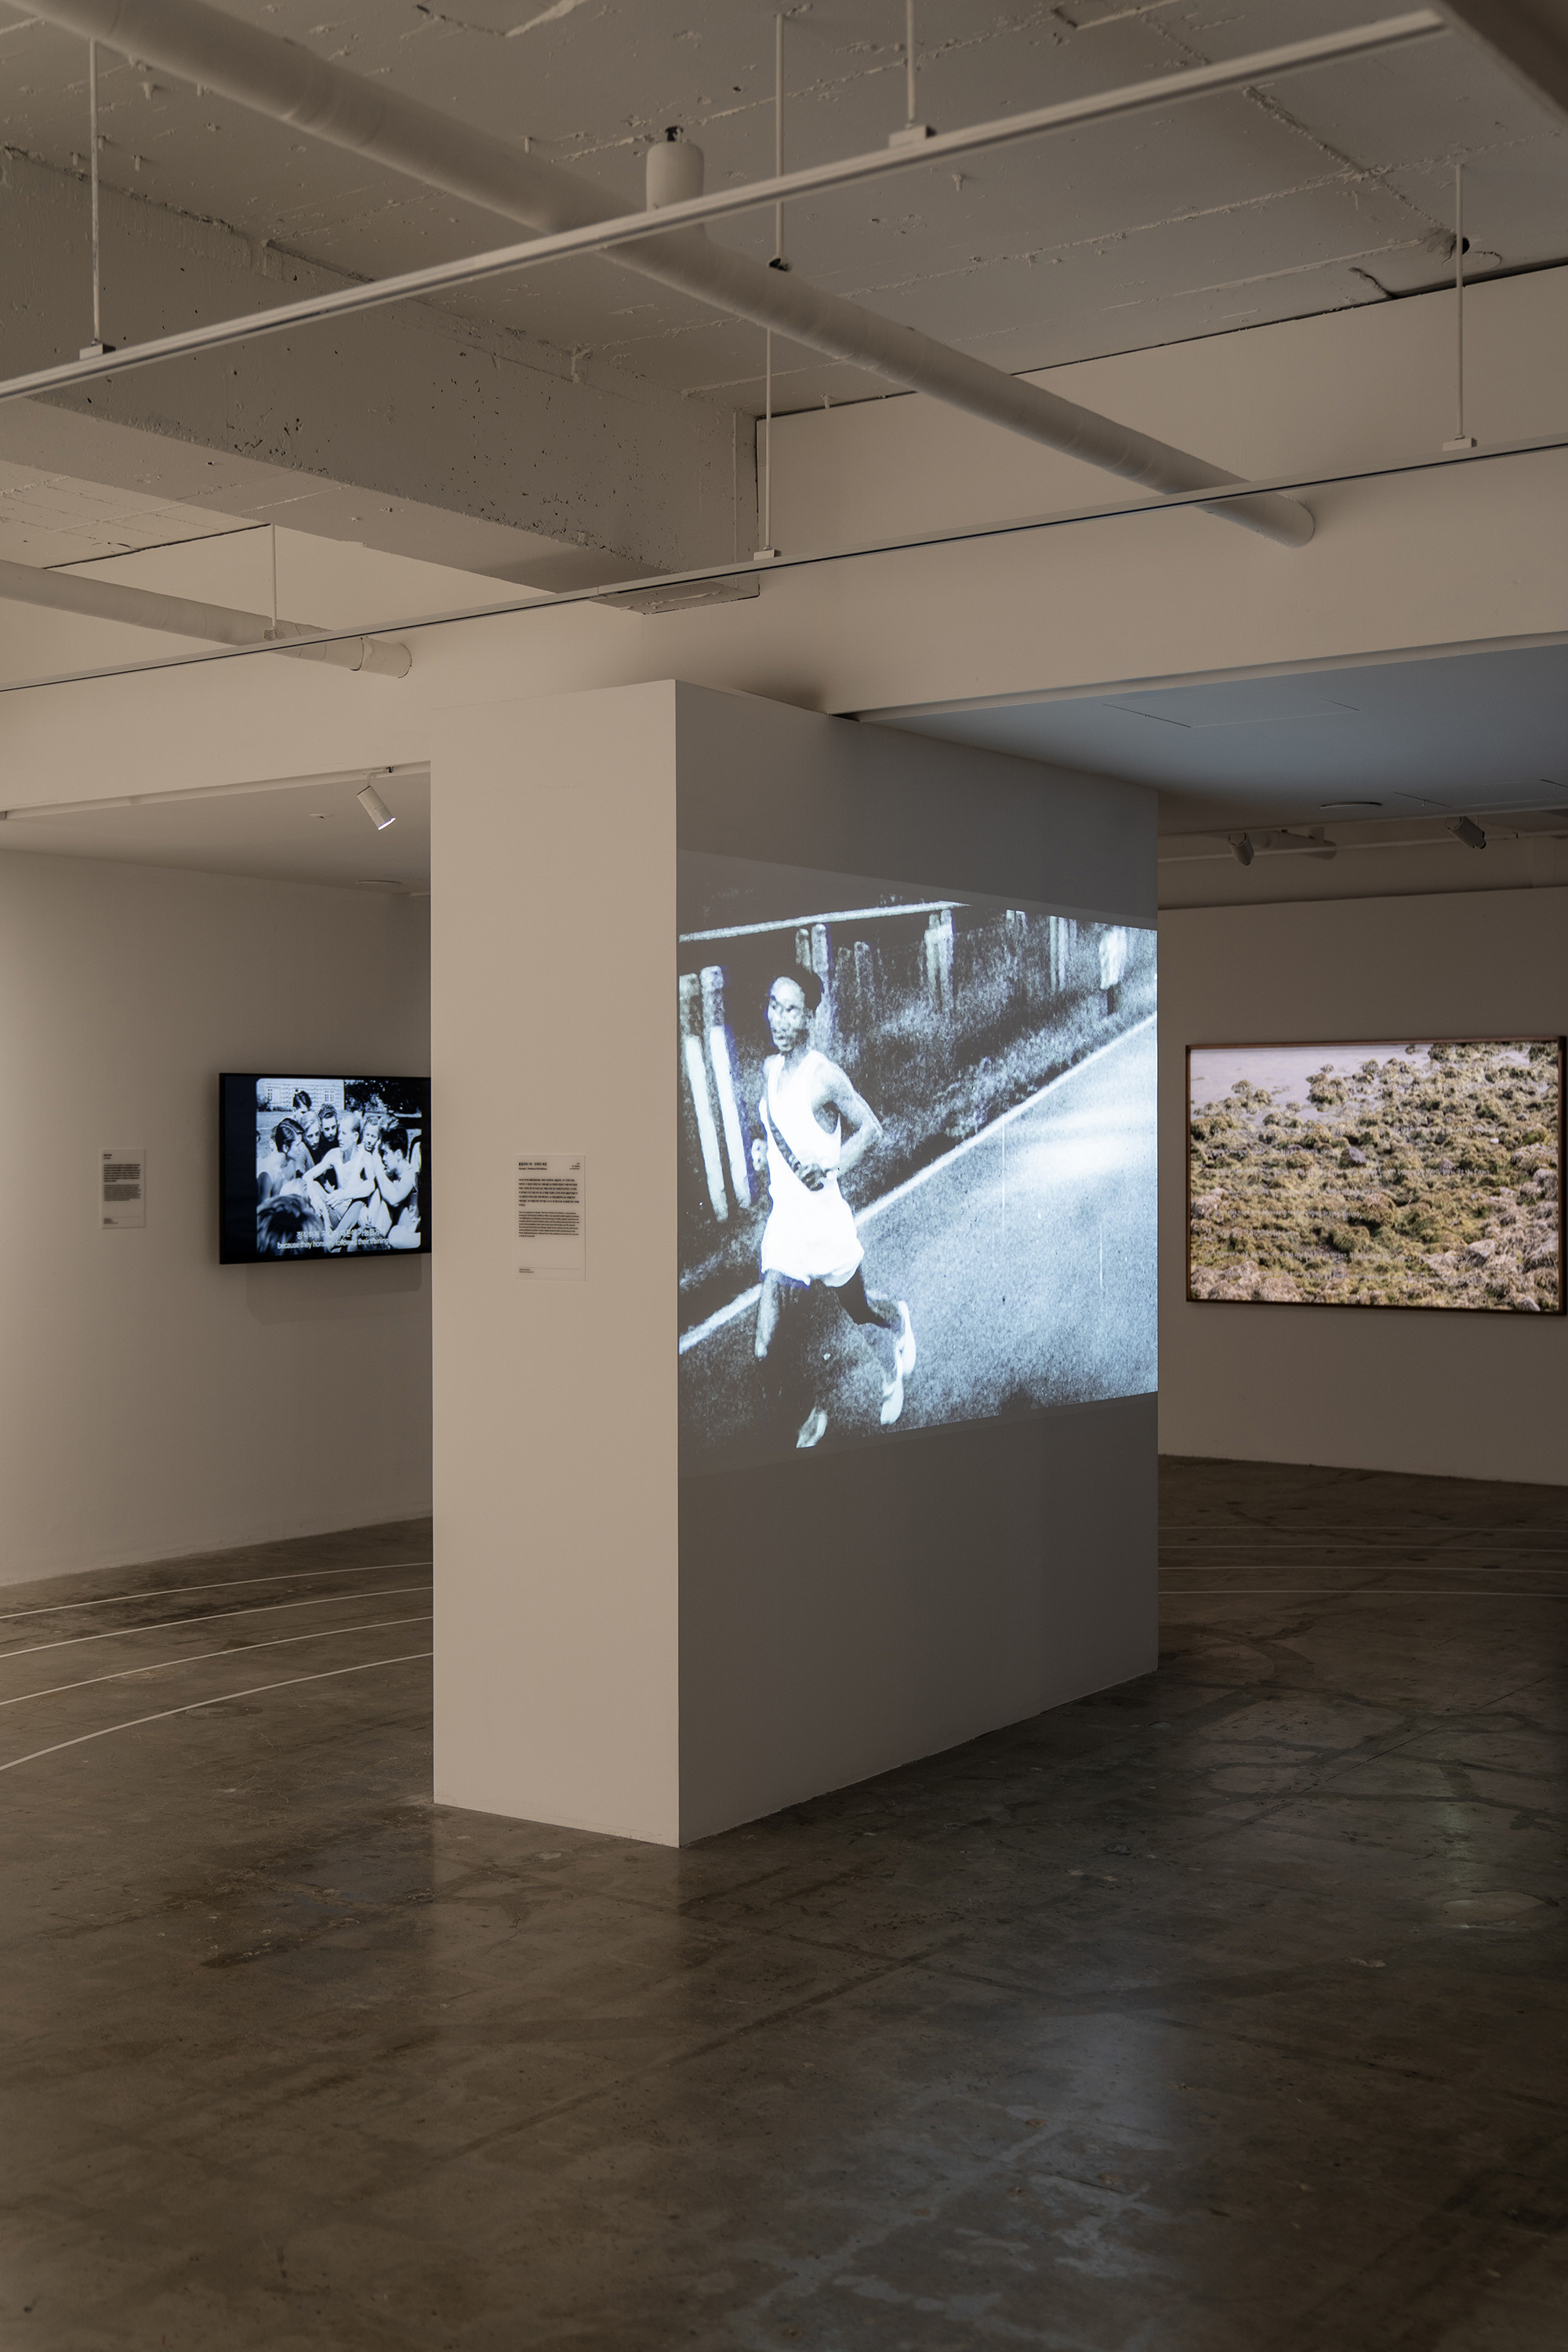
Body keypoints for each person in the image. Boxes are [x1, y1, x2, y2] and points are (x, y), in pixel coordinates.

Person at [752, 967, 915, 1449]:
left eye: (791, 1010)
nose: (779, 1019)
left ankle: (897, 1323)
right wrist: (762, 1150)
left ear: (809, 1017)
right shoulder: (768, 1070)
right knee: (764, 1348)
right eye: (774, 1006)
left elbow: (871, 1129)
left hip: (824, 1225)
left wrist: (830, 1168)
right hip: (786, 1228)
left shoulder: (823, 1076)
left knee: (861, 1311)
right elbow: (775, 1129)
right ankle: (807, 1417)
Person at [372, 1124, 423, 1248]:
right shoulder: (393, 1174)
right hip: (398, 1225)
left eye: (386, 1153)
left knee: (390, 1200)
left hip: (411, 1228)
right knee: (383, 1191)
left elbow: (394, 1200)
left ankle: (375, 1239)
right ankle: (372, 1235)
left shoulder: (410, 1172)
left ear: (398, 1154)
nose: (383, 1159)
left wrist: (378, 1171)